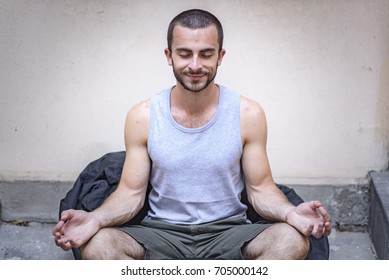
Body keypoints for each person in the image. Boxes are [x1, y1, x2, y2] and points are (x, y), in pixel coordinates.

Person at [53, 9, 331, 260]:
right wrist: (96, 219)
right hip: (161, 234)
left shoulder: (248, 114)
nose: (195, 65)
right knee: (98, 244)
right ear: (169, 55)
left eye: (206, 54)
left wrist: (290, 213)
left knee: (291, 240)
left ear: (220, 56)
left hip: (229, 233)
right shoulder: (143, 116)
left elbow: (261, 189)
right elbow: (130, 193)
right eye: (185, 53)